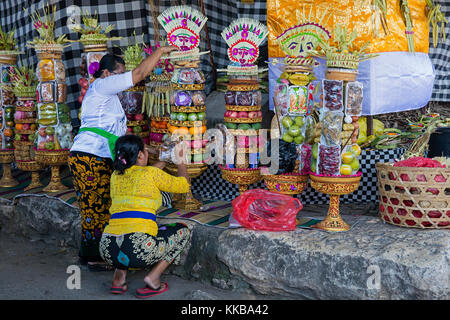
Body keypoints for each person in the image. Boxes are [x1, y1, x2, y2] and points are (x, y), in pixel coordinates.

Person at [68, 45, 178, 271]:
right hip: (89, 156)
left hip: (98, 155)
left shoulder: (108, 97)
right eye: (119, 73)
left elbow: (120, 137)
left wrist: (157, 151)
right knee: (94, 208)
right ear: (106, 73)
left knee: (102, 205)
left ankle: (93, 253)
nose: (123, 78)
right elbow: (138, 75)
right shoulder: (101, 85)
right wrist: (161, 51)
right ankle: (92, 257)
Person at [99, 134, 191, 298]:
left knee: (125, 231)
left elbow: (143, 174)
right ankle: (153, 278)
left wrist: (164, 159)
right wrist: (180, 161)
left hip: (107, 249)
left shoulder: (115, 176)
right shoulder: (151, 174)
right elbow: (184, 185)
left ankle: (118, 279)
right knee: (182, 231)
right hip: (139, 248)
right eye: (146, 150)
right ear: (140, 155)